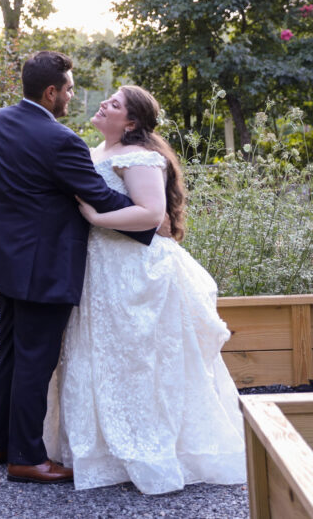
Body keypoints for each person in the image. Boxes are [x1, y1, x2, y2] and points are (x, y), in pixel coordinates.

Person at [43, 85, 246, 493]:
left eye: (114, 104)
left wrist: (95, 219)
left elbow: (152, 215)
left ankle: (149, 448)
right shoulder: (95, 152)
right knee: (99, 353)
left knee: (139, 359)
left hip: (134, 270)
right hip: (99, 269)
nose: (104, 104)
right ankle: (103, 452)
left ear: (131, 122)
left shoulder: (140, 157)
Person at [0, 51, 156, 484]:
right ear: (51, 92)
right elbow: (97, 195)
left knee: (11, 351)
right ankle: (25, 457)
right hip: (44, 265)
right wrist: (150, 219)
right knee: (36, 360)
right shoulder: (60, 140)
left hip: (4, 259)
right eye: (70, 89)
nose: (73, 97)